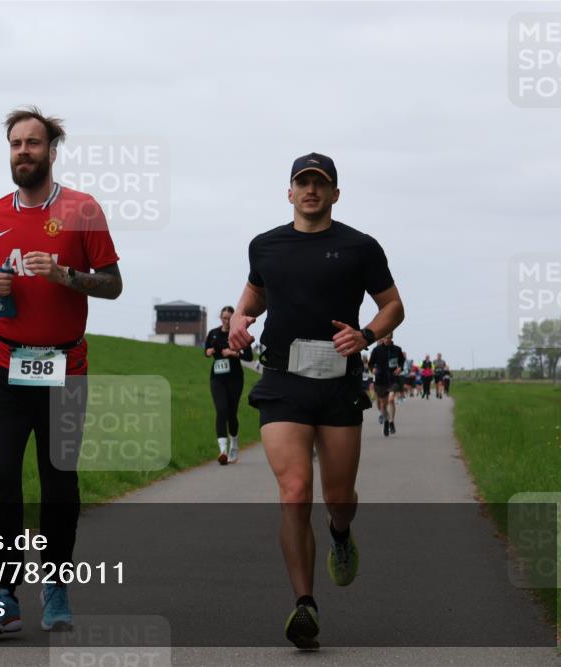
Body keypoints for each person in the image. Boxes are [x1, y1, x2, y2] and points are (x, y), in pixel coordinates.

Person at [229, 153, 404, 650]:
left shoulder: (359, 246)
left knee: (339, 497)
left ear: (334, 194)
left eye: (320, 184)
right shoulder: (265, 245)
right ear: (289, 192)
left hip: (338, 383)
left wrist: (366, 334)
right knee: (294, 489)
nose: (310, 190)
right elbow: (254, 297)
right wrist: (240, 319)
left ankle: (341, 533)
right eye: (301, 183)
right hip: (283, 381)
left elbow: (394, 305)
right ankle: (305, 604)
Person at [0, 107, 122, 635]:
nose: (23, 152)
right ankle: (3, 592)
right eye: (15, 144)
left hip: (64, 366)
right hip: (4, 365)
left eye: (33, 143)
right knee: (2, 478)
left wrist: (66, 275)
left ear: (52, 151)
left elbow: (113, 283)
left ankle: (55, 586)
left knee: (58, 482)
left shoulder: (82, 209)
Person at [205, 306, 254, 464]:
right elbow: (205, 350)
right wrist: (209, 352)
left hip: (235, 378)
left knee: (231, 413)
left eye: (228, 318)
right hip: (217, 378)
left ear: (233, 319)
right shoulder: (213, 333)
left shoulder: (238, 334)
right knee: (221, 411)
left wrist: (233, 353)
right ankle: (222, 450)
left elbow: (249, 356)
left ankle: (234, 444)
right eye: (223, 318)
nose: (225, 321)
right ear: (220, 317)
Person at [368, 336, 406, 436]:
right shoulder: (376, 350)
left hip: (393, 379)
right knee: (383, 406)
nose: (386, 339)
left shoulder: (397, 349)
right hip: (381, 380)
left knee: (391, 399)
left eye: (388, 337)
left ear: (391, 337)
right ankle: (386, 421)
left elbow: (402, 361)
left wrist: (400, 368)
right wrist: (373, 370)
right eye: (385, 338)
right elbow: (370, 363)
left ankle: (391, 422)